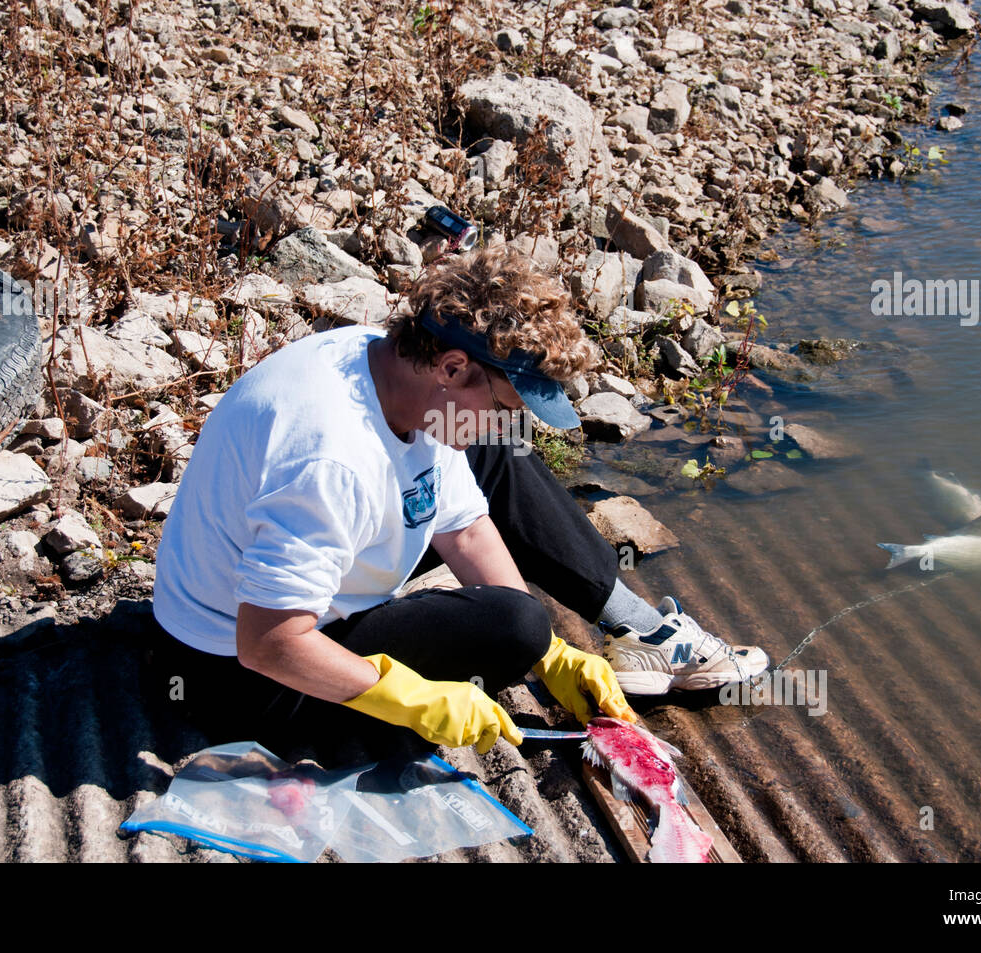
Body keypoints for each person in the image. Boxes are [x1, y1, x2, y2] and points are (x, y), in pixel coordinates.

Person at [149, 246, 768, 755]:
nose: (507, 420)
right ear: (451, 368)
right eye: (504, 404)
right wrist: (409, 697)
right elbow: (268, 642)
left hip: (276, 589)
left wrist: (551, 653)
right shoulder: (331, 457)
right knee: (513, 626)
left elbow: (466, 527)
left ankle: (633, 624)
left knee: (501, 473)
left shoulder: (390, 366)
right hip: (237, 671)